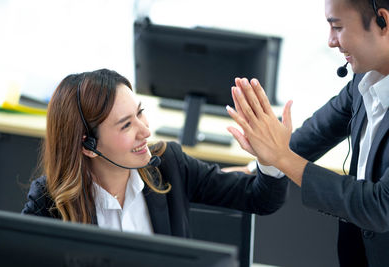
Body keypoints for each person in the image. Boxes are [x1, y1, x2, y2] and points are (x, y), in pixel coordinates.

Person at [22, 68, 288, 239]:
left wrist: (271, 157)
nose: (145, 131)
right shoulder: (48, 202)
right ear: (87, 146)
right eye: (126, 125)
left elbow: (260, 198)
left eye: (139, 113)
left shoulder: (168, 164)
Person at [226, 0, 389, 266]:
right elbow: (320, 130)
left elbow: (380, 206)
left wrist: (282, 158)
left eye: (337, 27)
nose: (331, 41)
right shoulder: (365, 79)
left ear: (383, 21)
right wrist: (257, 168)